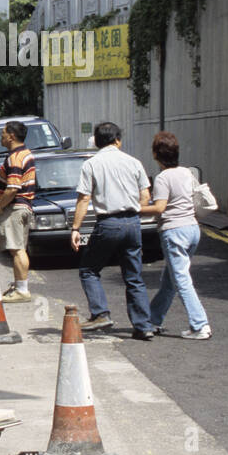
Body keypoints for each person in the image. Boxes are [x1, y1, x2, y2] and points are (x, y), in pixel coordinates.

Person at [69, 122, 155, 339]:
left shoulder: (92, 164)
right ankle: (143, 325)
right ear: (118, 140)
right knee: (133, 276)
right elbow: (145, 196)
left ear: (97, 142)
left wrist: (75, 228)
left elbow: (84, 198)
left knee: (89, 269)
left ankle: (100, 313)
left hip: (108, 223)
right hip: (133, 222)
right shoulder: (133, 162)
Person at [140, 132, 211, 339]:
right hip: (192, 229)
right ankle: (152, 319)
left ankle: (200, 325)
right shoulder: (187, 173)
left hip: (174, 231)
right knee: (170, 280)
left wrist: (135, 208)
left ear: (155, 154)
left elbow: (160, 207)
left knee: (181, 279)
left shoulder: (163, 178)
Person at [0, 121, 35, 304]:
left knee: (17, 249)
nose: (1, 136)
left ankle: (22, 290)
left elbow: (12, 187)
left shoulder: (15, 158)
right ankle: (20, 285)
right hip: (23, 206)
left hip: (15, 207)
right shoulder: (25, 154)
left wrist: (1, 205)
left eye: (3, 133)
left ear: (11, 136)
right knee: (18, 248)